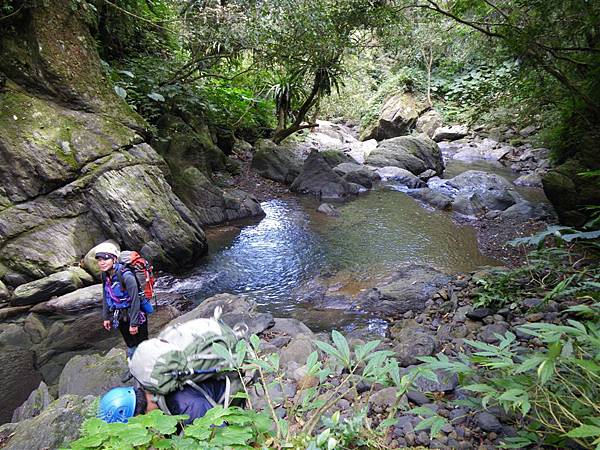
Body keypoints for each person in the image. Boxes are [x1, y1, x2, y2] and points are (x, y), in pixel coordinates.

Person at [95, 242, 148, 378]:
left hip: (135, 314)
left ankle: (147, 368)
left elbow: (135, 300)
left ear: (114, 259)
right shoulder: (105, 275)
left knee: (143, 344)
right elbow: (106, 294)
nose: (102, 263)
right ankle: (133, 368)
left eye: (105, 259)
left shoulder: (127, 276)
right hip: (120, 315)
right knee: (130, 344)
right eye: (99, 260)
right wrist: (106, 317)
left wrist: (134, 323)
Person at [97, 380, 227, 424]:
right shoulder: (150, 387)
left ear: (138, 417)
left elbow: (219, 441)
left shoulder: (189, 408)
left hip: (228, 395)